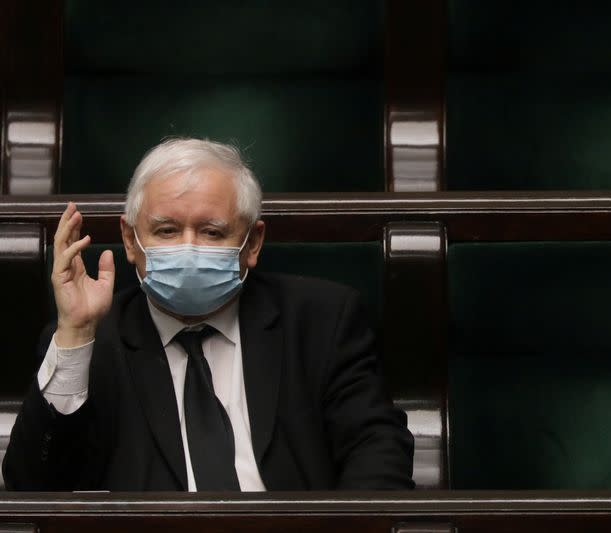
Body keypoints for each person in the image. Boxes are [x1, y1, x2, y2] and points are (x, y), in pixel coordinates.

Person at [2, 138, 414, 491]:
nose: (189, 249)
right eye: (166, 230)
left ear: (252, 243)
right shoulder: (91, 340)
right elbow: (31, 486)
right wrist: (74, 335)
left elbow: (378, 455)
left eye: (212, 232)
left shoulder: (323, 321)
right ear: (130, 239)